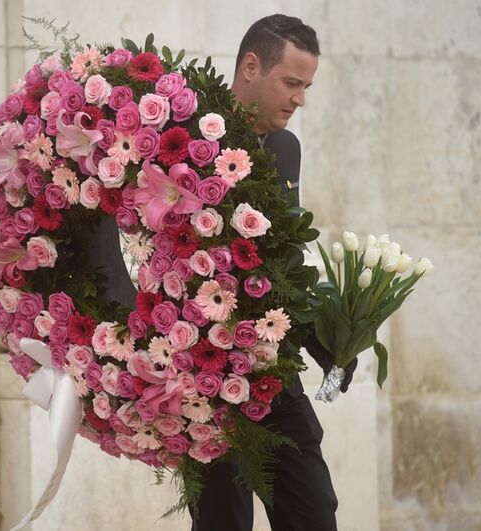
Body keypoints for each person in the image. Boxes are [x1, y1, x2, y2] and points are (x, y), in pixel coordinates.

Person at [188, 15, 356, 531]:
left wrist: (323, 337)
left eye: (306, 87)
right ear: (251, 66)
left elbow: (282, 264)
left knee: (314, 513)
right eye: (291, 83)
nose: (299, 99)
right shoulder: (186, 138)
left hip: (272, 375)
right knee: (222, 523)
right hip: (203, 380)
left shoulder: (285, 150)